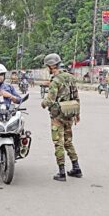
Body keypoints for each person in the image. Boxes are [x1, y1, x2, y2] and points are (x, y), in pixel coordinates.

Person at [41, 53, 82, 182]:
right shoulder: (70, 77)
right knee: (68, 142)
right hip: (69, 113)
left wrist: (43, 103)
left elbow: (50, 100)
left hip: (57, 116)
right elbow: (76, 96)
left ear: (52, 66)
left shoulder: (55, 81)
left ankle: (61, 172)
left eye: (48, 66)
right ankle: (76, 168)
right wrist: (77, 113)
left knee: (58, 143)